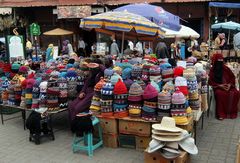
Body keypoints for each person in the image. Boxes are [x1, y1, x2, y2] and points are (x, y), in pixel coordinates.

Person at [209, 53, 240, 120]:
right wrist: (220, 86)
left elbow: (232, 77)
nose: (219, 64)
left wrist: (229, 85)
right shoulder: (212, 70)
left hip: (228, 86)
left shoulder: (226, 68)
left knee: (236, 93)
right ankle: (221, 114)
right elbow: (210, 82)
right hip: (218, 87)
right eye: (218, 62)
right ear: (215, 61)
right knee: (220, 94)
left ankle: (231, 113)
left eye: (221, 61)